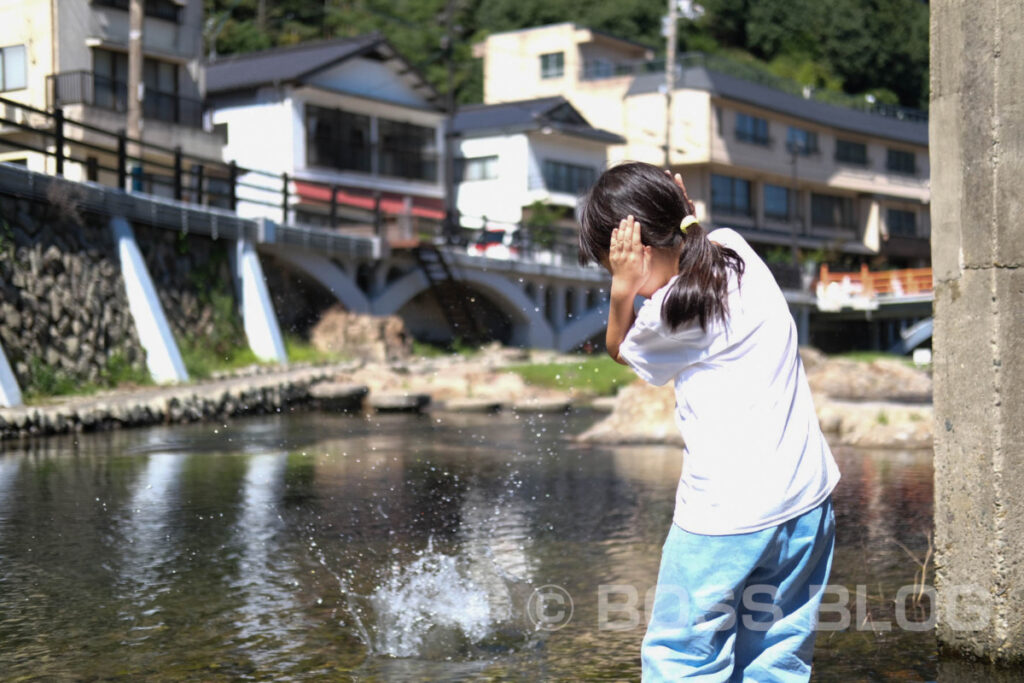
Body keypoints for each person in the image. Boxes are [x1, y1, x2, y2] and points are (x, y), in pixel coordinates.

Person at [577, 162, 840, 682]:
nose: (618, 274)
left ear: (638, 253)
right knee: (775, 658)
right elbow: (697, 237)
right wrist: (686, 216)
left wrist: (621, 291)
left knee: (682, 657)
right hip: (807, 503)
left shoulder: (668, 314)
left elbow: (617, 349)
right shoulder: (738, 251)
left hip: (726, 520)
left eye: (614, 263)